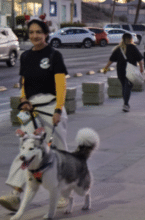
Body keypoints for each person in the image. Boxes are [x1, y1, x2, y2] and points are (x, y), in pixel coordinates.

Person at [0, 19, 69, 211]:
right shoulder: (26, 56)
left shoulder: (54, 55)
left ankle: (64, 193)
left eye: (39, 32)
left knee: (59, 149)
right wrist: (24, 100)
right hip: (31, 109)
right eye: (31, 32)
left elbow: (61, 85)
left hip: (51, 106)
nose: (34, 36)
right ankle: (15, 194)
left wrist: (58, 109)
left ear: (46, 33)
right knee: (27, 149)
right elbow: (24, 83)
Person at [103, 33, 144, 112]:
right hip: (130, 70)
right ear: (131, 39)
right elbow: (140, 59)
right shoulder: (133, 47)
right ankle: (126, 104)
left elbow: (111, 60)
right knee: (127, 87)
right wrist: (141, 68)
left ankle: (125, 103)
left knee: (124, 86)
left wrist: (105, 68)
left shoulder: (119, 48)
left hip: (120, 70)